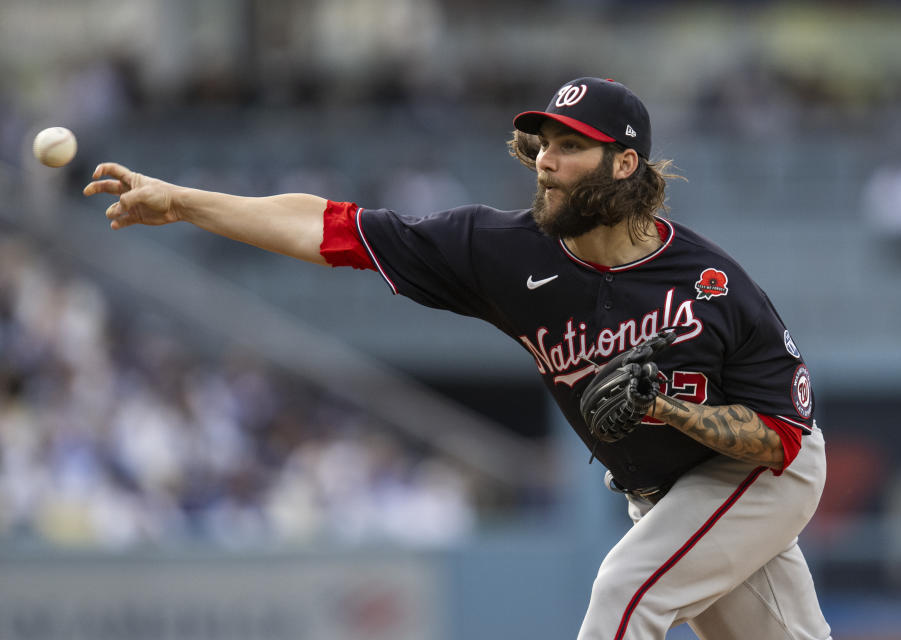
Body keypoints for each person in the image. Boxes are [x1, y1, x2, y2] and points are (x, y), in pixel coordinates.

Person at [84, 77, 831, 640]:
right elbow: (328, 228)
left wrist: (664, 408)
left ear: (625, 163)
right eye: (543, 145)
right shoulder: (499, 250)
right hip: (663, 493)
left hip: (760, 477)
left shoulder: (712, 285)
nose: (547, 162)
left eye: (572, 147)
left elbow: (779, 441)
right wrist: (183, 201)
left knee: (624, 593)